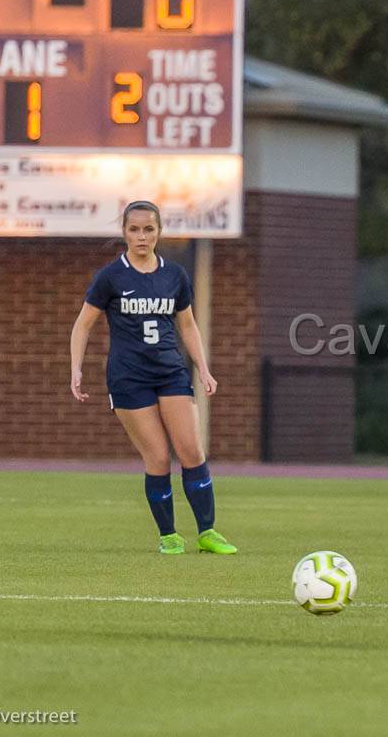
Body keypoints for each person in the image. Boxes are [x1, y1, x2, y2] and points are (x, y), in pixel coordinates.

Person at [69, 200, 236, 556]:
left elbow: (187, 325)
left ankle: (208, 531)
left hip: (170, 371)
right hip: (129, 378)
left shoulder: (174, 275)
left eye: (148, 229)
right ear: (124, 233)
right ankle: (168, 535)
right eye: (134, 229)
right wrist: (76, 368)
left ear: (159, 232)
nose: (141, 236)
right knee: (158, 457)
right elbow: (83, 325)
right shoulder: (111, 277)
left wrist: (203, 367)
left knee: (191, 450)